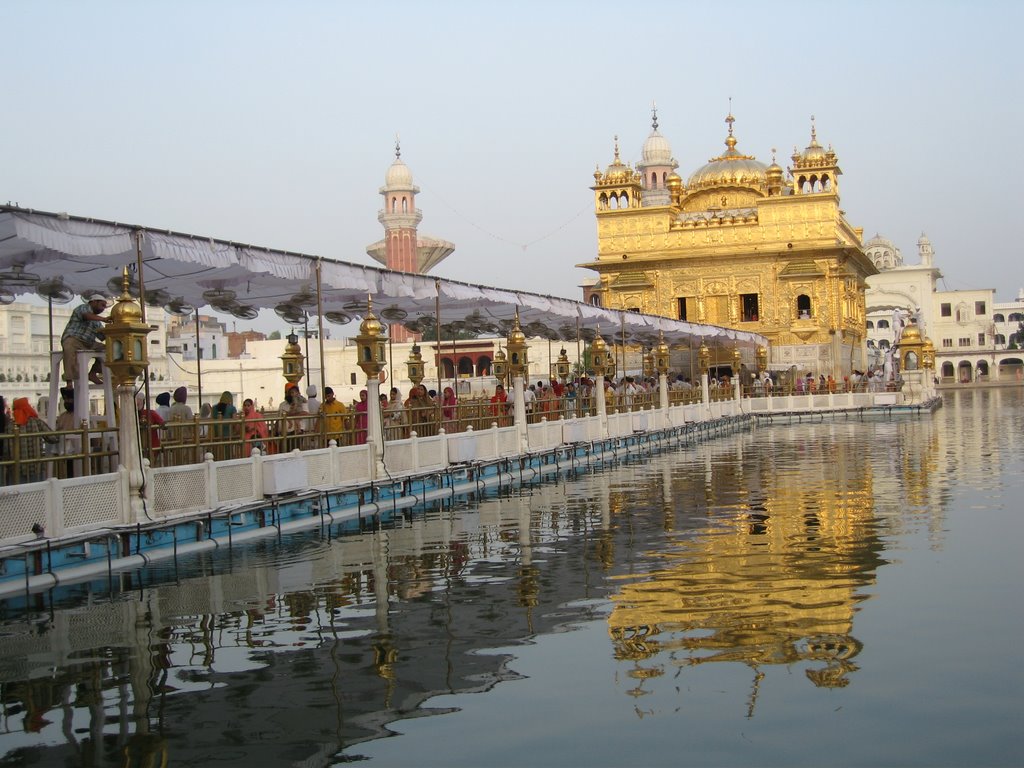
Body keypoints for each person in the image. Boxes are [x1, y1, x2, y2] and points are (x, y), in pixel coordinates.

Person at [61, 294, 112, 388]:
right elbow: (86, 316)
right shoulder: (83, 308)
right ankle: (69, 381)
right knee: (69, 348)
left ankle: (93, 373)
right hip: (74, 339)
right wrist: (104, 319)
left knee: (110, 349)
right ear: (93, 302)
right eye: (102, 305)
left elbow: (104, 336)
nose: (103, 308)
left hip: (89, 343)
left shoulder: (96, 321)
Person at [11, 397, 57, 483]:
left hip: (17, 467)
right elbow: (52, 437)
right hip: (36, 466)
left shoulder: (11, 425)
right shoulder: (36, 421)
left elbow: (6, 449)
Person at [136, 393, 165, 465]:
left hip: (145, 446)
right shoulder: (151, 413)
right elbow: (163, 424)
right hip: (150, 447)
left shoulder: (151, 413)